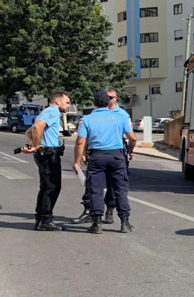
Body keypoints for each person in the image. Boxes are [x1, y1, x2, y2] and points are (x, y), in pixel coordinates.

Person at [74, 91, 136, 234]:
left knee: (95, 190)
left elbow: (80, 142)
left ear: (94, 103)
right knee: (120, 189)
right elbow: (132, 138)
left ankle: (96, 224)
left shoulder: (87, 119)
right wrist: (131, 151)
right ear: (109, 102)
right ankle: (125, 223)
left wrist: (77, 160)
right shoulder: (120, 117)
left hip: (97, 156)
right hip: (117, 156)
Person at [21, 92, 71, 231]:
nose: (69, 106)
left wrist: (32, 144)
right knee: (53, 187)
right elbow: (37, 127)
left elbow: (29, 131)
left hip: (44, 153)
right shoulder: (52, 112)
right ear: (57, 102)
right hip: (48, 154)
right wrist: (36, 146)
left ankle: (40, 218)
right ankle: (46, 220)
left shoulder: (44, 112)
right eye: (67, 102)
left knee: (45, 187)